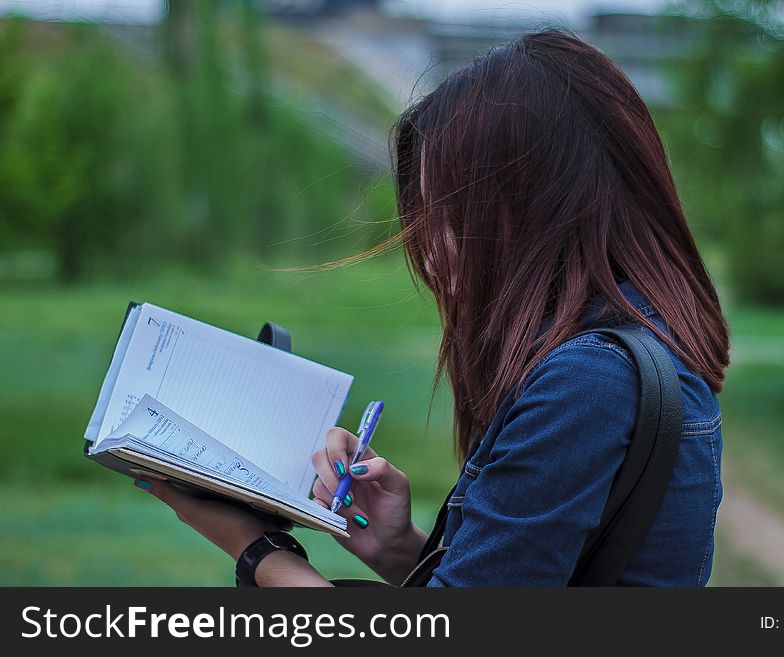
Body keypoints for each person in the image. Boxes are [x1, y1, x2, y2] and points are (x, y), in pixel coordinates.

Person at [135, 28, 730, 587]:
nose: (432, 246)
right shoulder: (633, 350)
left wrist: (258, 550)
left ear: (525, 203)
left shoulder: (588, 381)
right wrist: (401, 547)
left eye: (447, 213)